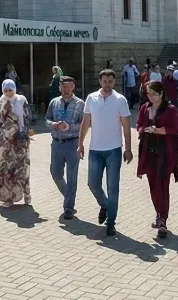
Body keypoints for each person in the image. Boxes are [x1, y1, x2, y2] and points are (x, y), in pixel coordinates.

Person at [80, 68, 133, 237]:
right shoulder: (91, 98)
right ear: (100, 81)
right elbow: (86, 122)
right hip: (95, 149)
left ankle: (111, 223)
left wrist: (128, 149)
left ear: (114, 82)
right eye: (105, 81)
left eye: (110, 81)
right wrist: (80, 143)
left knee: (113, 188)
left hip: (113, 151)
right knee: (92, 184)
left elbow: (126, 126)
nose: (107, 84)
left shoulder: (120, 100)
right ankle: (104, 205)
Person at [136, 80, 178, 239]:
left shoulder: (170, 110)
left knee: (162, 185)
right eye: (148, 93)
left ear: (161, 93)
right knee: (152, 185)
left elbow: (175, 128)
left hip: (166, 152)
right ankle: (158, 213)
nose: (150, 97)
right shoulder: (144, 108)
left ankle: (163, 219)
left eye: (153, 94)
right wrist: (145, 129)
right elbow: (139, 126)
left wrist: (157, 130)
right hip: (148, 151)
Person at [46, 74, 84, 220]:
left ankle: (68, 207)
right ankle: (69, 195)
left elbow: (85, 124)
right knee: (56, 173)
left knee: (72, 176)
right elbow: (47, 119)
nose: (66, 89)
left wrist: (70, 126)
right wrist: (53, 125)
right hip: (56, 143)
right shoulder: (54, 102)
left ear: (73, 87)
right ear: (60, 87)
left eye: (68, 86)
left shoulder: (80, 103)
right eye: (63, 86)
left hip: (73, 143)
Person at [0, 79, 31, 209]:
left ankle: (25, 195)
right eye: (6, 90)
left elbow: (28, 117)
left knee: (21, 167)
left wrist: (22, 135)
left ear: (14, 89)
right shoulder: (1, 101)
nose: (8, 93)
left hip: (20, 139)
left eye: (10, 89)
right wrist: (4, 110)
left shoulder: (21, 100)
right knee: (5, 168)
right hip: (5, 140)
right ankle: (7, 198)